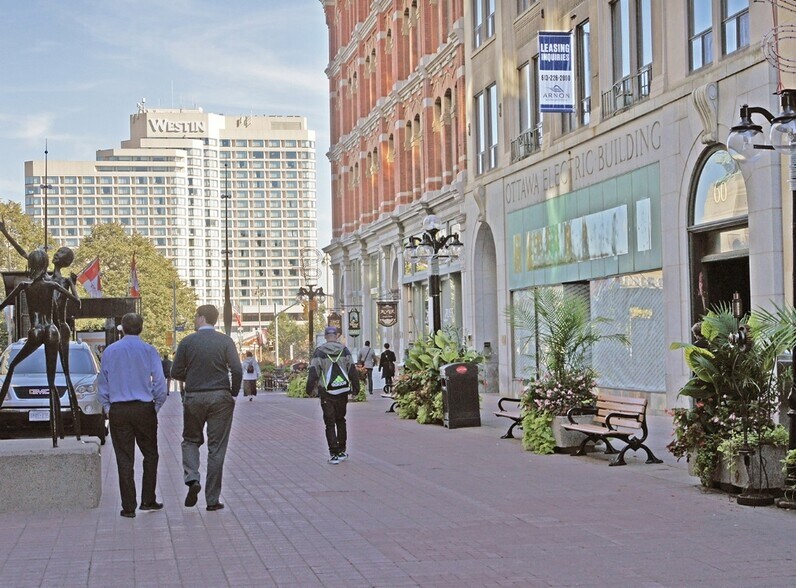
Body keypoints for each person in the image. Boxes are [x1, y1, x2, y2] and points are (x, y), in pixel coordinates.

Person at [171, 304, 242, 511]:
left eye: (195, 316)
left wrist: (192, 377)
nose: (194, 320)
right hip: (220, 397)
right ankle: (212, 499)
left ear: (201, 318)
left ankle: (192, 478)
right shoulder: (225, 341)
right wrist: (233, 392)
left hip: (194, 397)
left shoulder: (187, 342)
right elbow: (236, 369)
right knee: (216, 448)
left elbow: (175, 371)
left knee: (190, 440)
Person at [97, 312, 168, 518]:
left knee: (124, 458)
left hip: (119, 408)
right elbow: (159, 382)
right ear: (142, 328)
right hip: (144, 408)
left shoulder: (110, 351)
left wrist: (108, 407)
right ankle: (148, 499)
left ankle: (129, 507)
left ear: (122, 328)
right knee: (151, 454)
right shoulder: (149, 350)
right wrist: (155, 405)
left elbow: (103, 382)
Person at [306, 326, 360, 464]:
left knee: (329, 423)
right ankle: (342, 450)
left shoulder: (319, 352)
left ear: (325, 336)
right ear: (337, 336)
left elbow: (313, 372)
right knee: (341, 420)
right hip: (342, 391)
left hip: (326, 392)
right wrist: (356, 389)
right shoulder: (344, 350)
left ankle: (334, 452)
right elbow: (352, 370)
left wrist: (309, 390)